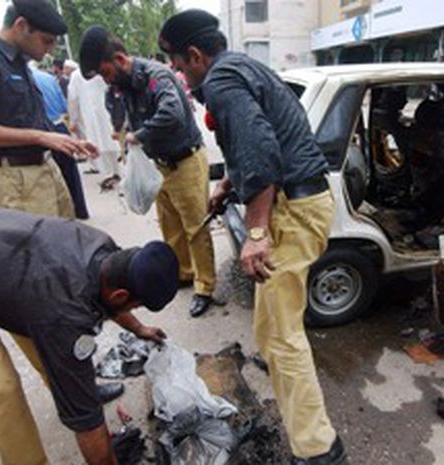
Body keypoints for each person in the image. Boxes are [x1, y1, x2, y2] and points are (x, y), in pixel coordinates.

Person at [159, 10, 346, 465]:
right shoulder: (244, 67)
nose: (180, 75)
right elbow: (266, 136)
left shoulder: (222, 82)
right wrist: (227, 186)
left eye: (180, 66)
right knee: (270, 325)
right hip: (301, 201)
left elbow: (261, 151)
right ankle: (286, 387)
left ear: (196, 55)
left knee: (283, 336)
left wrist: (257, 231)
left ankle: (319, 448)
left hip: (293, 212)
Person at [0, 204, 179, 465]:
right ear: (121, 293)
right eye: (138, 305)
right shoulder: (63, 312)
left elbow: (109, 297)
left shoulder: (104, 251)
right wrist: (87, 417)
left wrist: (138, 328)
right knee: (0, 386)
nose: (136, 309)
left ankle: (72, 391)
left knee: (49, 343)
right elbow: (89, 425)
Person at [80, 26, 218, 317]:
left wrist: (138, 135)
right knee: (170, 226)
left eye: (106, 73)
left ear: (119, 59)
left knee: (195, 227)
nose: (106, 80)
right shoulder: (124, 85)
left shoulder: (157, 77)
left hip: (185, 162)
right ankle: (184, 272)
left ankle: (205, 286)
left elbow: (172, 114)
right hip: (160, 165)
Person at [0, 0, 98, 218]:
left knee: (66, 240)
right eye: (46, 41)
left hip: (45, 166)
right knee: (39, 247)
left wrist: (65, 140)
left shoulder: (17, 61)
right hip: (16, 176)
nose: (49, 50)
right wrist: (39, 137)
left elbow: (26, 117)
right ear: (20, 26)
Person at [31, 65, 90, 219]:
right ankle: (80, 211)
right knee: (70, 172)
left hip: (41, 132)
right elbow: (64, 105)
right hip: (59, 127)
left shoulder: (27, 80)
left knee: (51, 177)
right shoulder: (49, 78)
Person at [67, 65, 122, 185]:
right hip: (109, 112)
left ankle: (110, 174)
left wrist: (73, 120)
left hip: (92, 114)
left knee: (99, 143)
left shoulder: (76, 75)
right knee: (113, 141)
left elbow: (73, 99)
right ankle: (119, 172)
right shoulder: (103, 69)